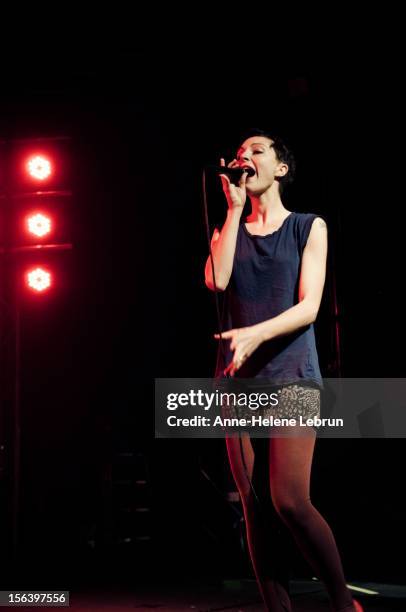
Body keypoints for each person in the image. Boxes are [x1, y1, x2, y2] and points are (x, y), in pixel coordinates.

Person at [204, 129, 363, 611]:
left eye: (256, 151)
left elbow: (310, 306)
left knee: (289, 501)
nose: (244, 158)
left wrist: (255, 333)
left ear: (280, 168)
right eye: (239, 154)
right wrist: (232, 212)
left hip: (292, 375)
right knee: (253, 510)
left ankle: (343, 603)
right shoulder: (226, 229)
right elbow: (219, 279)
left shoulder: (308, 226)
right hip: (238, 384)